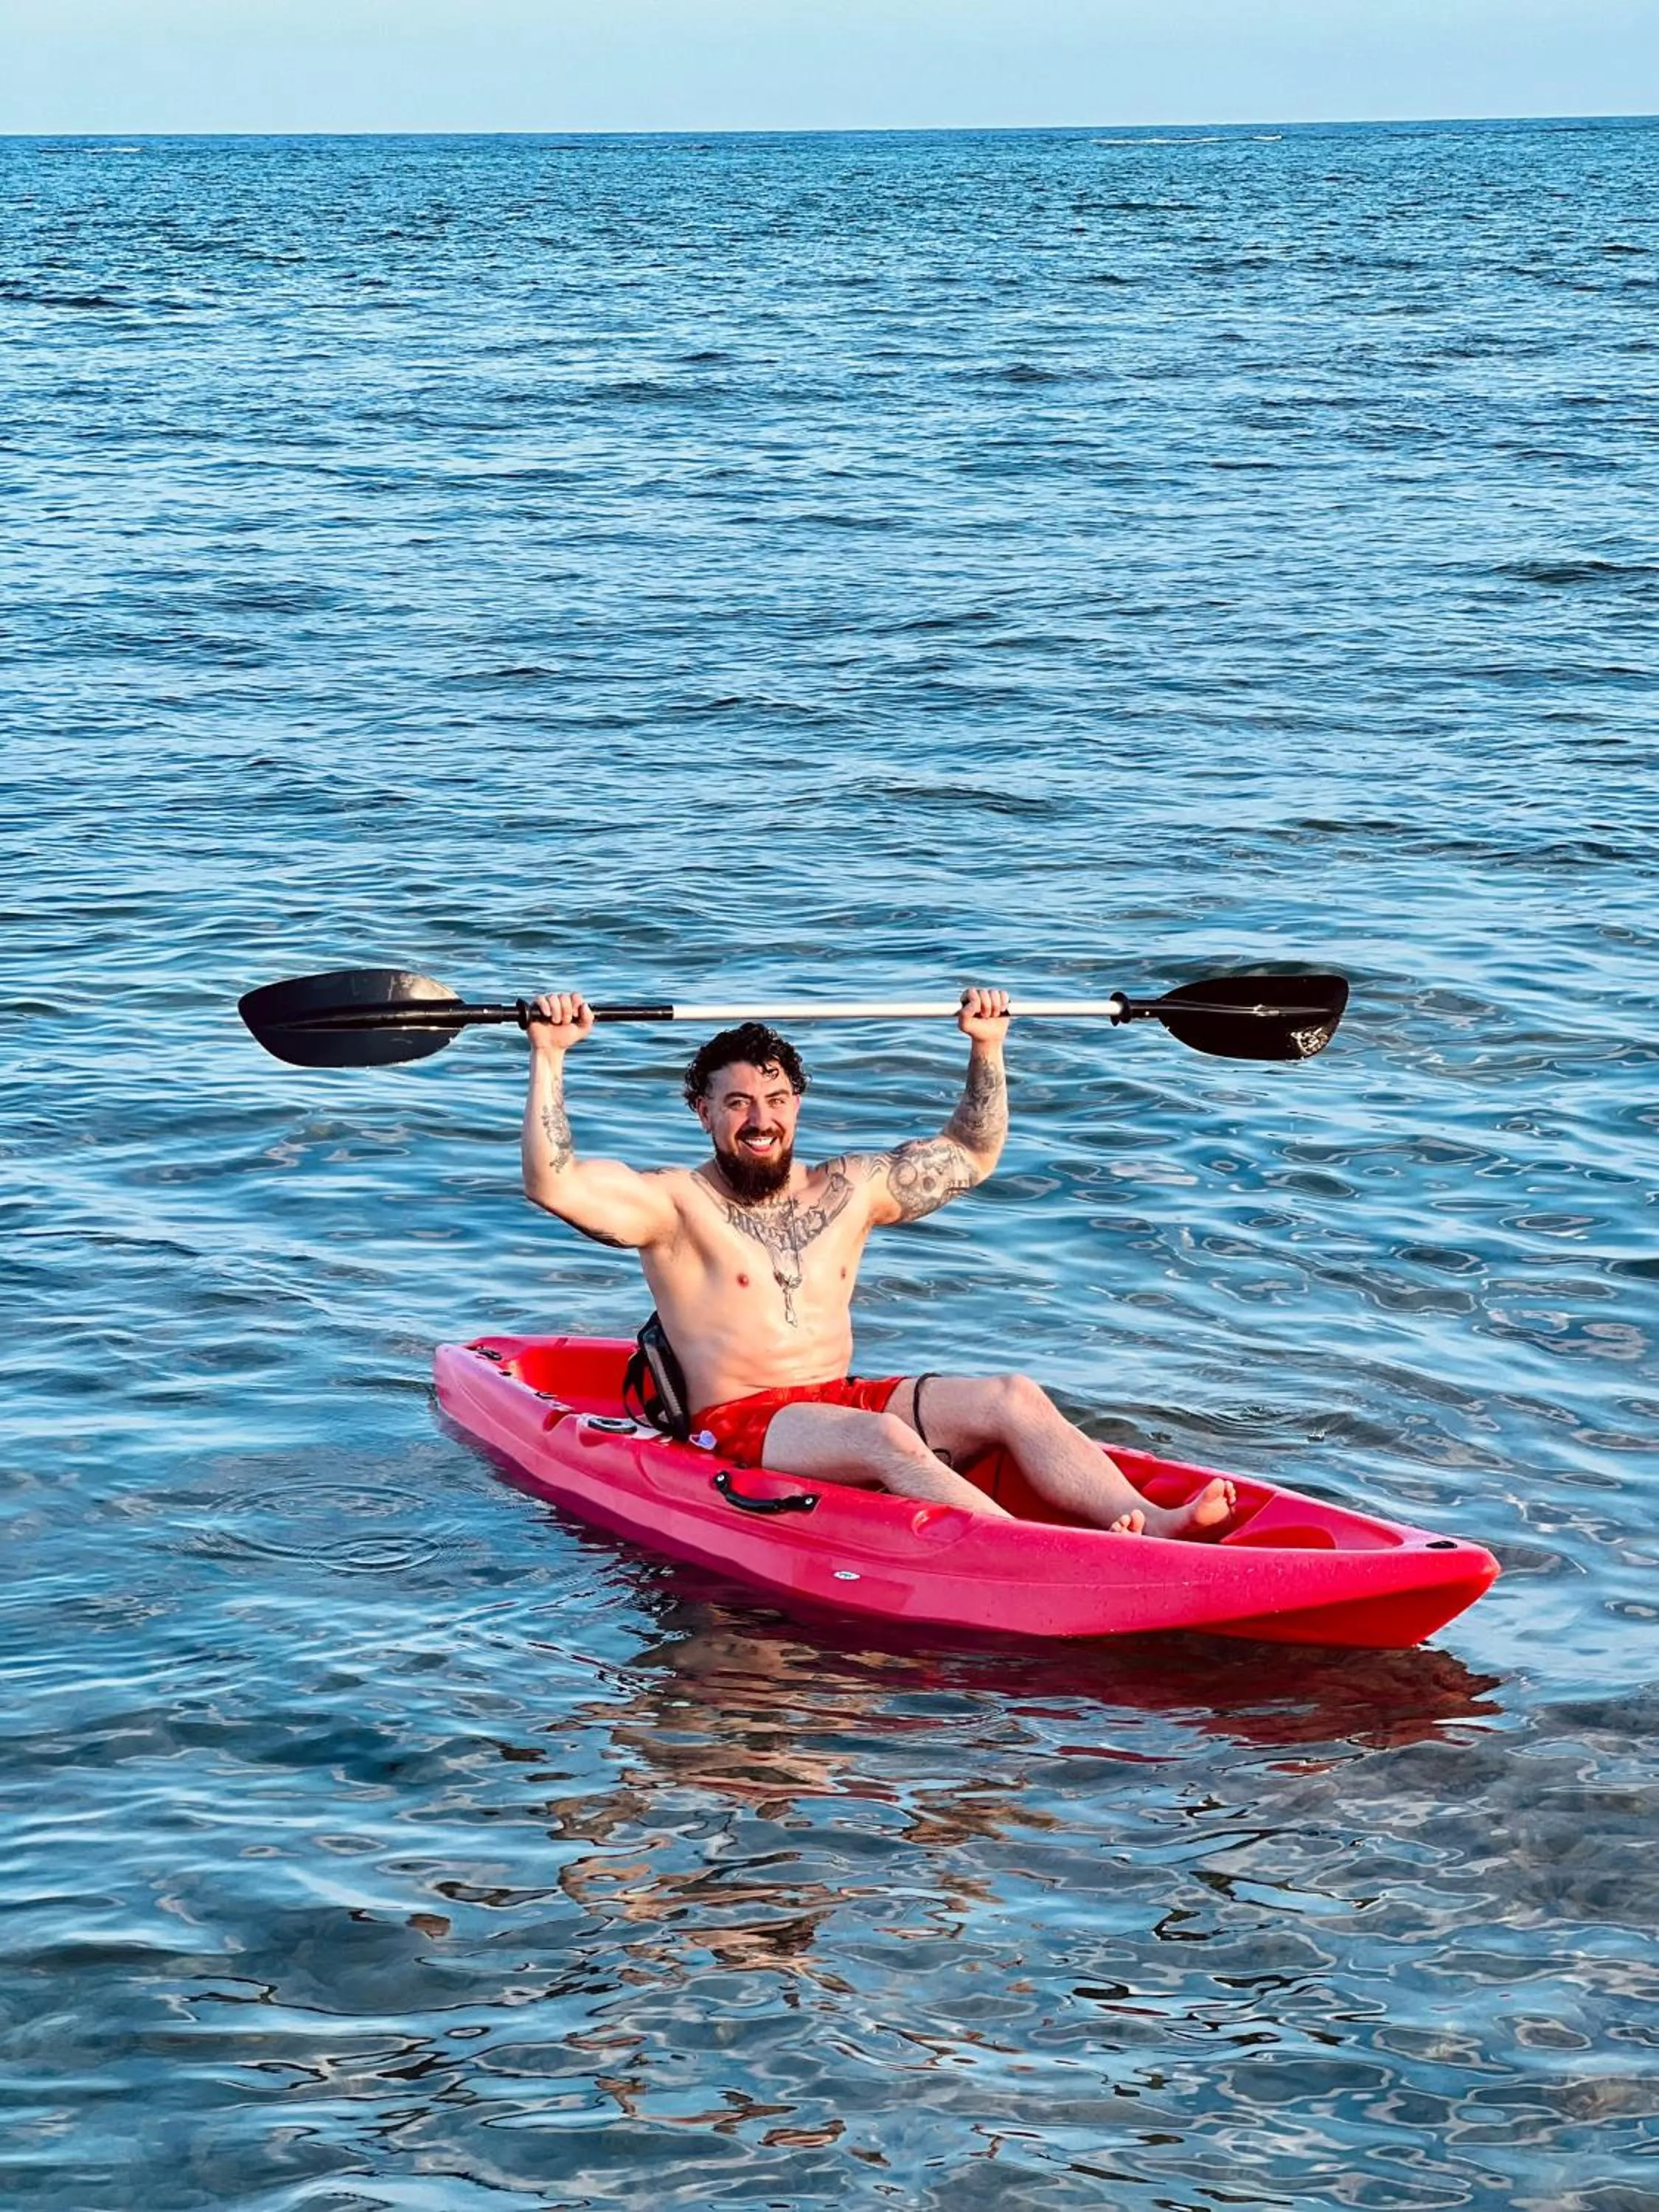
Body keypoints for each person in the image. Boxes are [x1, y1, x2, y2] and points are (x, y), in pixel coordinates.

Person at [521, 987, 1234, 1537]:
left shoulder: (849, 1189)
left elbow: (972, 1154)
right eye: (737, 1103)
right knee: (888, 1438)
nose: (760, 1120)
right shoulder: (673, 1204)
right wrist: (550, 1055)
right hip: (738, 1422)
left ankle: (1155, 1521)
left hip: (837, 1401)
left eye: (775, 1099)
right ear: (703, 1112)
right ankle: (1027, 1547)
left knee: (1013, 1396)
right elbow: (555, 1183)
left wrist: (987, 1045)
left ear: (797, 1104)